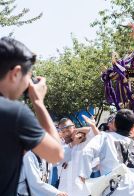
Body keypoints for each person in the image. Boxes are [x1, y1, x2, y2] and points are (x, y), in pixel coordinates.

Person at [0, 37, 63, 195]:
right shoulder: (13, 113)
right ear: (15, 73)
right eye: (28, 77)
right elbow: (56, 154)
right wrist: (38, 102)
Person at [79, 109, 134, 196]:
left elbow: (87, 152)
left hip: (114, 190)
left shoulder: (105, 137)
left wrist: (84, 175)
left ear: (115, 124)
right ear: (132, 127)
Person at [57, 115, 99, 196]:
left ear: (74, 127)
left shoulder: (83, 142)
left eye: (68, 129)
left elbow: (97, 135)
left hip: (81, 191)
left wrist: (91, 126)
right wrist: (73, 143)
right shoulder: (59, 145)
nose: (66, 133)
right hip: (63, 191)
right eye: (63, 131)